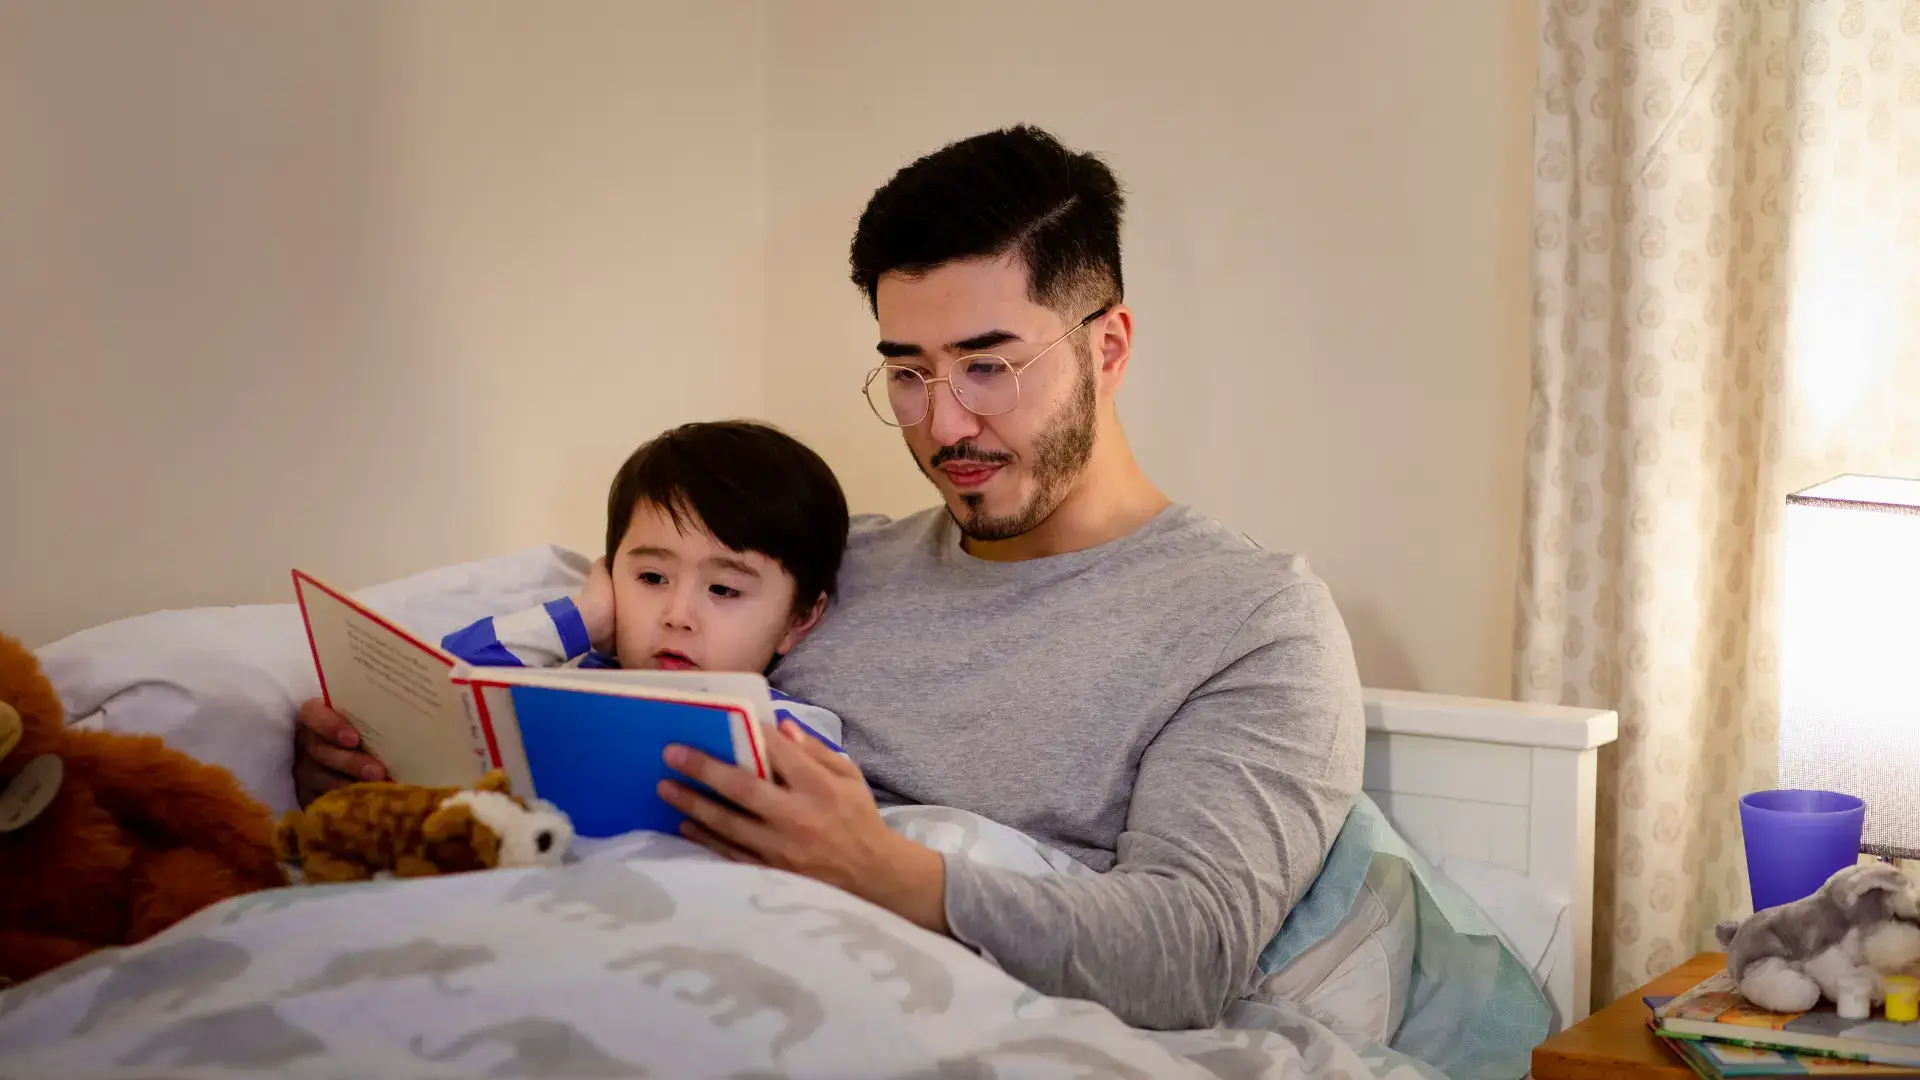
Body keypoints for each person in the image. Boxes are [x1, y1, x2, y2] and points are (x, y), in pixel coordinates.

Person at [292, 125, 1366, 1032]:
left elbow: (1188, 954)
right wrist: (393, 769)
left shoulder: (1251, 624)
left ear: (1111, 347)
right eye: (908, 373)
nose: (946, 424)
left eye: (989, 365)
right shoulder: (817, 569)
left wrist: (888, 873)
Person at [291, 420, 851, 803]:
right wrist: (585, 618)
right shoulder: (563, 679)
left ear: (800, 619)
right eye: (651, 578)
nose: (678, 614)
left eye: (724, 590)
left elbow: (829, 820)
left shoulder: (790, 729)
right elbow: (440, 685)